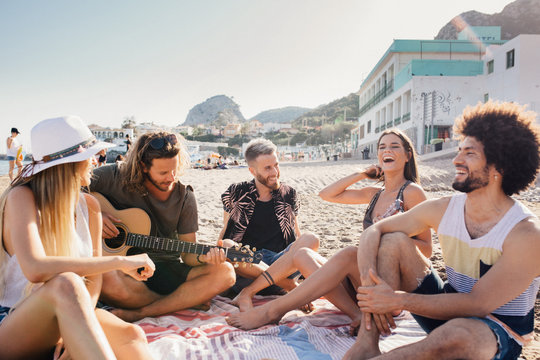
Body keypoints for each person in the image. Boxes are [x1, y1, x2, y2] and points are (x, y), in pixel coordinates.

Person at [342, 101, 540, 360]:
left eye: (469, 153)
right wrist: (372, 292)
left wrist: (397, 300)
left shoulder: (525, 234)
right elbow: (373, 231)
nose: (456, 159)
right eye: (459, 151)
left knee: (458, 334)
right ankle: (367, 343)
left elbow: (477, 304)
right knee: (392, 240)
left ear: (499, 166)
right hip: (447, 307)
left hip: (495, 331)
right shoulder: (445, 208)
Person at [226, 129, 430, 329]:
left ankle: (272, 310)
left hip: (387, 283)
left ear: (407, 155)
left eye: (395, 146)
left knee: (345, 251)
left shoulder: (412, 193)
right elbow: (327, 194)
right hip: (361, 277)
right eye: (382, 146)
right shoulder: (375, 194)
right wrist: (360, 174)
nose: (387, 150)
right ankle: (357, 315)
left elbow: (427, 250)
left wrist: (388, 235)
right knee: (304, 255)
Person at [0, 115, 155, 359]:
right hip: (15, 320)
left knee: (132, 335)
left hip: (71, 310)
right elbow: (35, 268)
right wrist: (119, 262)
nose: (95, 161)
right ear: (70, 164)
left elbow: (93, 281)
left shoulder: (90, 206)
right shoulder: (21, 198)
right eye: (89, 156)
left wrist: (74, 330)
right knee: (67, 283)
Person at [90, 131, 236, 322]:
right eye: (163, 173)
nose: (171, 178)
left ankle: (143, 311)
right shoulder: (113, 176)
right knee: (106, 278)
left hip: (166, 267)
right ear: (143, 166)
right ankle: (182, 301)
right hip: (122, 269)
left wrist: (207, 256)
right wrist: (95, 214)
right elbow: (65, 191)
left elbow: (189, 257)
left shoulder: (185, 197)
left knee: (225, 273)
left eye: (175, 170)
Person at [219, 138, 320, 312]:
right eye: (267, 168)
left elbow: (296, 231)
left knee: (311, 239)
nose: (275, 172)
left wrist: (303, 270)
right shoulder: (236, 192)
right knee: (227, 245)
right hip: (247, 267)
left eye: (276, 165)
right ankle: (288, 285)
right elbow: (225, 229)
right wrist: (221, 254)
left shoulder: (289, 193)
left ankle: (257, 289)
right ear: (252, 170)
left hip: (281, 263)